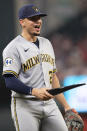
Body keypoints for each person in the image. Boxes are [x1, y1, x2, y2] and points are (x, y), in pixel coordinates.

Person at [2, 4, 71, 131]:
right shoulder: (13, 48)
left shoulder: (47, 43)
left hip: (49, 104)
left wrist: (67, 107)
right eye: (33, 19)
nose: (38, 21)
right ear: (22, 22)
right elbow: (9, 80)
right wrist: (34, 91)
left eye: (39, 18)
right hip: (25, 105)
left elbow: (53, 77)